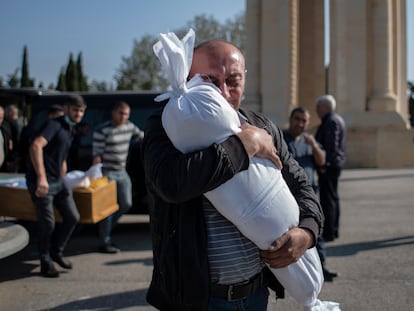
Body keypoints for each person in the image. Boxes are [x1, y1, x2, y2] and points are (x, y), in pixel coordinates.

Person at [152, 30, 339, 311]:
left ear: (244, 79)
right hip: (199, 299)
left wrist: (308, 232)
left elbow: (300, 183)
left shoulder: (262, 125)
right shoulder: (168, 125)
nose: (224, 92)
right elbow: (171, 184)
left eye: (233, 81)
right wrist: (243, 146)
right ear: (188, 78)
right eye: (210, 81)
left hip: (255, 294)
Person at [25, 94, 87, 278]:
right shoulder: (54, 124)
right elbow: (36, 146)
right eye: (75, 110)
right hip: (43, 182)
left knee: (72, 217)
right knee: (48, 224)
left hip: (58, 182)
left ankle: (56, 252)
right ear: (67, 108)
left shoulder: (70, 128)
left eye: (82, 111)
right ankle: (45, 262)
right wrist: (41, 178)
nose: (79, 114)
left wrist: (63, 170)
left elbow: (61, 153)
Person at [283, 107, 338, 282]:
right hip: (287, 196)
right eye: (297, 119)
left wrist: (314, 145)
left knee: (315, 233)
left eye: (303, 120)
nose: (300, 123)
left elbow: (322, 160)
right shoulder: (281, 140)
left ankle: (321, 268)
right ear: (290, 119)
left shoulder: (309, 141)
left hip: (310, 196)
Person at [92, 101, 144, 254]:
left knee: (126, 203)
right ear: (113, 112)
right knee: (108, 208)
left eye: (126, 114)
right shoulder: (103, 130)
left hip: (122, 171)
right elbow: (97, 156)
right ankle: (105, 240)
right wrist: (97, 177)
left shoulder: (129, 126)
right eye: (121, 113)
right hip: (107, 172)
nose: (123, 117)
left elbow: (141, 136)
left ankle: (104, 228)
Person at [315, 95, 346, 243]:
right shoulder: (337, 119)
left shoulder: (330, 121)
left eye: (318, 106)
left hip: (329, 166)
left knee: (328, 200)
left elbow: (330, 146)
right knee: (333, 198)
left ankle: (329, 232)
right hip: (335, 164)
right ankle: (334, 230)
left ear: (325, 107)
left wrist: (324, 165)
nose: (316, 110)